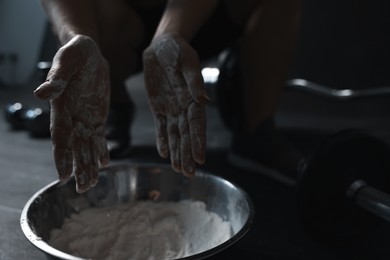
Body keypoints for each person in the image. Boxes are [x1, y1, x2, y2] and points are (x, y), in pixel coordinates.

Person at [34, 0, 303, 193]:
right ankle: (111, 104)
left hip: (195, 11)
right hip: (120, 23)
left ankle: (255, 130)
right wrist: (76, 36)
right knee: (99, 19)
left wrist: (172, 33)